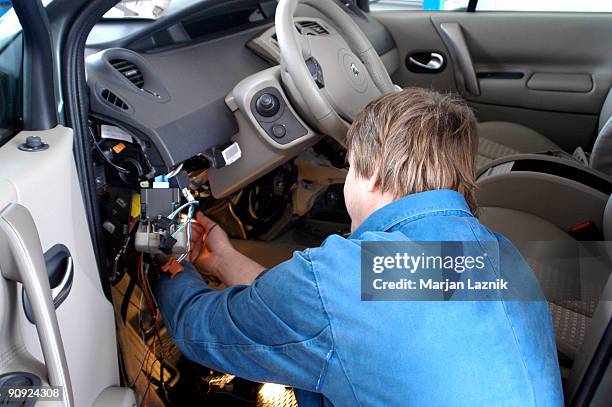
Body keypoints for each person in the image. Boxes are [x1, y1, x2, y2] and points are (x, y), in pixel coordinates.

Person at [154, 88, 564, 406]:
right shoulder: (497, 254)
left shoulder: (340, 282)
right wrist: (223, 259)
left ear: (374, 172)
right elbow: (331, 315)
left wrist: (168, 256)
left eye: (349, 166)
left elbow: (197, 330)